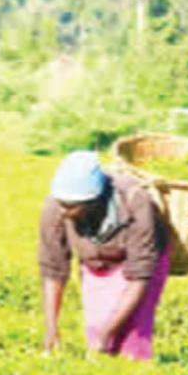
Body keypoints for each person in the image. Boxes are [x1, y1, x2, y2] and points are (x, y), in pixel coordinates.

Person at [38, 151, 171, 360]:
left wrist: (106, 334)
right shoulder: (56, 206)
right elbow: (53, 268)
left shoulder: (135, 200)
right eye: (62, 203)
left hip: (141, 263)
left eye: (72, 207)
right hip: (96, 262)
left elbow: (140, 275)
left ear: (94, 201)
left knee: (131, 337)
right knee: (96, 328)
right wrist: (51, 328)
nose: (64, 211)